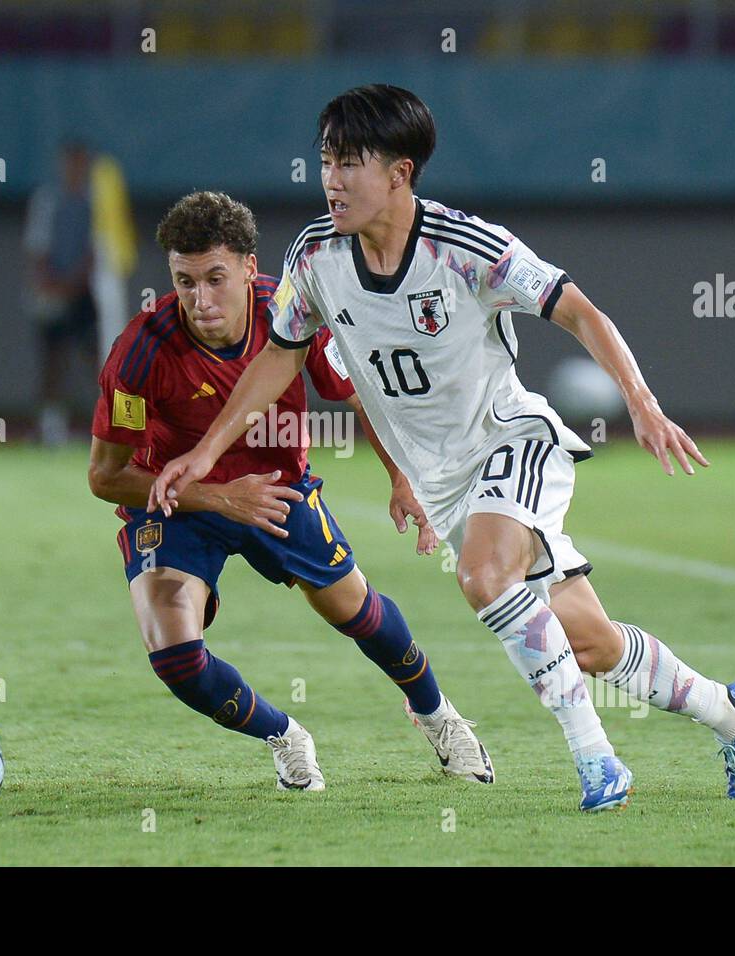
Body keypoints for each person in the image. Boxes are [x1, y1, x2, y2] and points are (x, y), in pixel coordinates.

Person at [151, 85, 735, 810]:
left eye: (350, 163)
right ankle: (732, 714)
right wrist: (205, 452)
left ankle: (598, 762)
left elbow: (579, 310)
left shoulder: (466, 246)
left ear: (400, 174)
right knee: (591, 643)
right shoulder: (315, 255)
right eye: (325, 161)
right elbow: (280, 356)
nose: (332, 179)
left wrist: (643, 402)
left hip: (512, 440)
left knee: (482, 575)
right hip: (444, 484)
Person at [90, 191, 492, 791]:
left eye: (215, 278)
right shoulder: (141, 351)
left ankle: (438, 715)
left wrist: (400, 476)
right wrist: (218, 498)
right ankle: (284, 735)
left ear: (250, 267)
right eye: (184, 281)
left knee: (355, 612)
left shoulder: (293, 309)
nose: (200, 300)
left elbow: (360, 393)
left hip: (280, 493)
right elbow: (105, 476)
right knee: (175, 658)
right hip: (179, 507)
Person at [25, 140, 137, 445]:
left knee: (97, 358)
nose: (74, 169)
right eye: (69, 162)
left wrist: (76, 283)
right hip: (54, 291)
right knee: (52, 359)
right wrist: (53, 285)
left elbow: (98, 249)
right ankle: (51, 427)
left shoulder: (96, 202)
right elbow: (38, 249)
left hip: (86, 294)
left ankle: (103, 425)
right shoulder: (47, 200)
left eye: (79, 163)